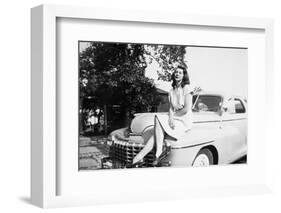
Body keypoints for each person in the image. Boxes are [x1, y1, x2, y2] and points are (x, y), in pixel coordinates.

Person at [132, 64, 193, 166]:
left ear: (184, 75)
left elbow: (186, 109)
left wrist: (172, 117)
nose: (177, 74)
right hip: (175, 119)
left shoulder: (187, 88)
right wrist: (171, 117)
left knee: (158, 126)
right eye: (176, 72)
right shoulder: (171, 90)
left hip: (184, 120)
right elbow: (171, 108)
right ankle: (141, 157)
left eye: (180, 73)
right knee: (157, 132)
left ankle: (144, 156)